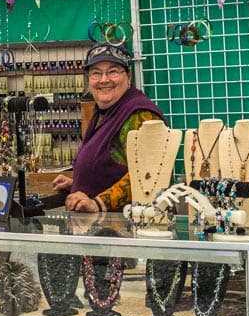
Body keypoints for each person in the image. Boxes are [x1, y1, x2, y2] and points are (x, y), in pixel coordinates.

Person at [52, 43, 166, 212]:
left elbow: (149, 175)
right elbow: (113, 169)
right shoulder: (105, 112)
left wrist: (98, 203)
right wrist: (77, 183)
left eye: (112, 71)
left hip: (133, 228)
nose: (104, 80)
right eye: (96, 73)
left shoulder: (139, 114)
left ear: (128, 76)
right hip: (106, 229)